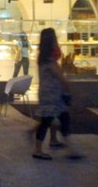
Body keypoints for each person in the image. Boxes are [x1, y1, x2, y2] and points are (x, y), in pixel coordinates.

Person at [32, 27, 83, 160]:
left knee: (51, 120)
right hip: (53, 95)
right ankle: (40, 150)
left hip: (46, 93)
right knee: (54, 120)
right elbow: (61, 78)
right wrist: (67, 92)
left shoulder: (42, 58)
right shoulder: (49, 60)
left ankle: (67, 148)